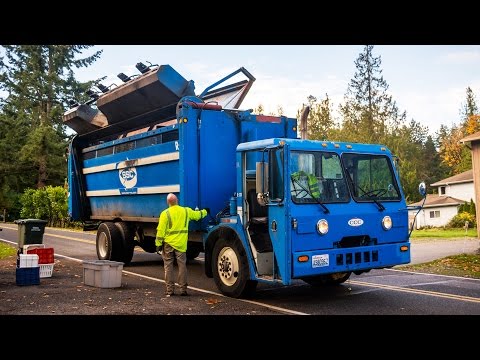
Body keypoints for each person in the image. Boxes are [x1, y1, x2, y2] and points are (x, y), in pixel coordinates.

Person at [155, 193, 209, 297]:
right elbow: (197, 216)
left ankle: (170, 290)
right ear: (177, 201)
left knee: (168, 266)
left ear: (168, 203)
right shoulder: (186, 211)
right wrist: (205, 211)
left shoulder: (165, 214)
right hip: (181, 244)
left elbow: (160, 231)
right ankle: (183, 289)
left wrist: (158, 244)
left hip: (168, 244)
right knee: (182, 266)